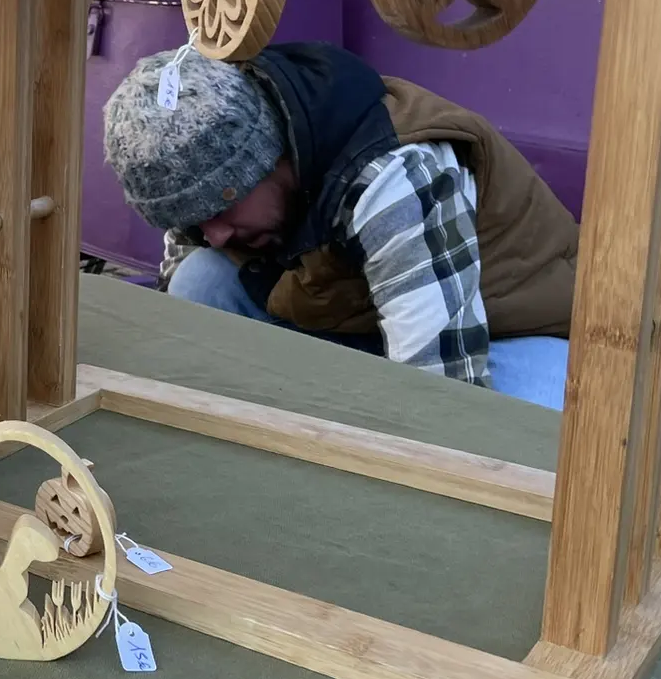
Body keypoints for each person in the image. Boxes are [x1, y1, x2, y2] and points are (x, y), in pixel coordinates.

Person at [100, 41, 578, 409]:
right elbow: (179, 307)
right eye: (193, 220)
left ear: (266, 159)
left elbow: (443, 392)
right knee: (199, 280)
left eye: (220, 210)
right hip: (372, 323)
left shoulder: (394, 179)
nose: (216, 235)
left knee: (537, 429)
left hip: (508, 334)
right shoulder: (208, 187)